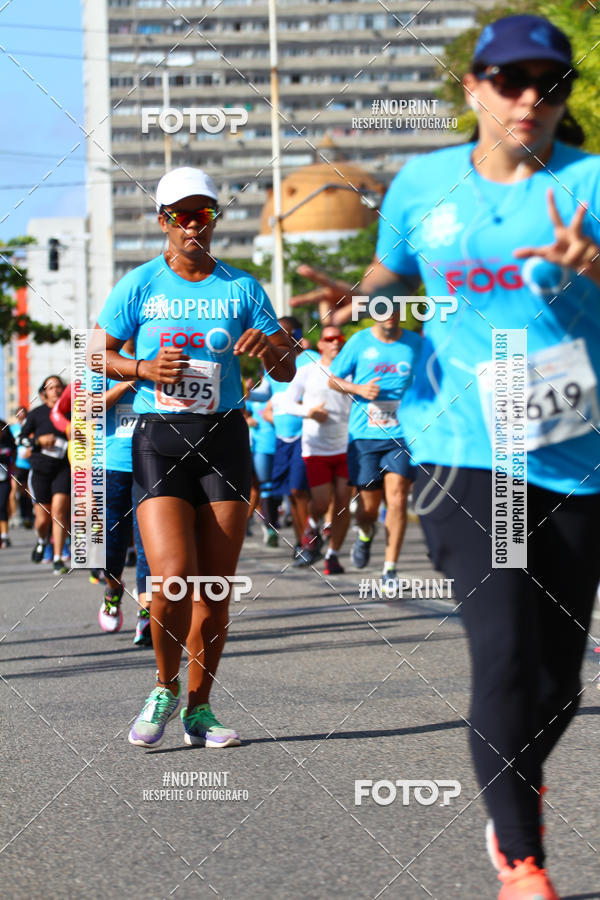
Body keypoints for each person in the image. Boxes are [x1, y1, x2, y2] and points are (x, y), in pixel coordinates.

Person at [296, 15, 600, 899]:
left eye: (550, 83)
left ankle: (511, 776)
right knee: (503, 651)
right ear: (474, 89)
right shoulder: (425, 183)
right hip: (470, 449)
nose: (530, 99)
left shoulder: (591, 182)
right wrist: (358, 295)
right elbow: (392, 270)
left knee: (557, 676)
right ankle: (522, 857)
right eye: (511, 80)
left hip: (574, 450)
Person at [93, 166, 294, 749]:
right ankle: (163, 685)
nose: (194, 225)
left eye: (204, 213)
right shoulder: (140, 285)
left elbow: (286, 365)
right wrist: (140, 369)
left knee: (215, 586)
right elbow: (94, 352)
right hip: (159, 439)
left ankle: (200, 710)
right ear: (163, 221)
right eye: (182, 215)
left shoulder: (243, 287)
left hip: (224, 439)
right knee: (173, 578)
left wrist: (270, 349)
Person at [327, 309, 421, 588]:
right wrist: (358, 389)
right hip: (364, 436)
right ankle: (365, 533)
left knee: (398, 497)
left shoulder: (416, 343)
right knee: (368, 509)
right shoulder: (359, 342)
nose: (390, 315)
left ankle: (390, 569)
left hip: (402, 434)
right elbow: (332, 379)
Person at [88, 339, 153, 645]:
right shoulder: (103, 361)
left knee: (149, 543)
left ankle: (147, 612)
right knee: (112, 545)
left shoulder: (156, 353)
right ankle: (113, 589)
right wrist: (131, 378)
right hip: (112, 464)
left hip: (154, 461)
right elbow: (89, 407)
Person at [280, 325, 352, 574]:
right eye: (329, 338)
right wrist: (309, 412)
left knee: (343, 501)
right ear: (320, 344)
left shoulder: (351, 372)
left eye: (339, 338)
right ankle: (312, 527)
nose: (335, 342)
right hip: (316, 447)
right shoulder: (308, 371)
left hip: (346, 446)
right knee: (320, 503)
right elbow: (287, 402)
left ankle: (333, 555)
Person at [249, 316, 317, 559]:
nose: (276, 339)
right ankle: (302, 542)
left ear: (296, 336)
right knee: (293, 492)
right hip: (282, 437)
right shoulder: (274, 363)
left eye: (284, 334)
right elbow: (264, 393)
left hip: (309, 435)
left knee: (302, 490)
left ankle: (314, 535)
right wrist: (246, 391)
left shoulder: (312, 361)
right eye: (273, 335)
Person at [20, 376, 70, 575]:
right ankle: (41, 541)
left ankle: (58, 558)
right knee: (43, 518)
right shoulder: (36, 414)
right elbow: (21, 439)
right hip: (40, 470)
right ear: (44, 393)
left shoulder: (70, 412)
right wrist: (38, 442)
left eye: (59, 387)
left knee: (59, 512)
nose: (56, 391)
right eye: (51, 388)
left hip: (63, 468)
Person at [9, 407, 33, 528]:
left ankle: (28, 515)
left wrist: (30, 450)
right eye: (19, 413)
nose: (21, 415)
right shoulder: (12, 429)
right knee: (14, 489)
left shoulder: (31, 425)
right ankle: (14, 516)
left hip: (30, 463)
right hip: (16, 464)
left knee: (27, 491)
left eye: (23, 412)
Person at [0, 421, 17, 548]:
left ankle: (4, 536)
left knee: (2, 505)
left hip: (5, 478)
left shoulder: (8, 442)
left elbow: (14, 456)